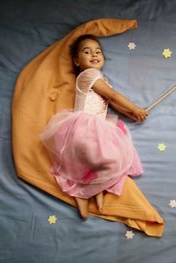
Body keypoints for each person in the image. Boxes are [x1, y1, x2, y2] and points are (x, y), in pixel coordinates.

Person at [39, 35, 148, 219]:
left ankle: (92, 188)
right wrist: (135, 108)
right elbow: (113, 96)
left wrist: (131, 114)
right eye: (87, 51)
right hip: (85, 128)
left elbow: (112, 103)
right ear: (76, 61)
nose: (94, 54)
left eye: (98, 51)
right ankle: (83, 192)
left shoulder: (101, 79)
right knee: (109, 159)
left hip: (95, 128)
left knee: (101, 159)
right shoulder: (88, 75)